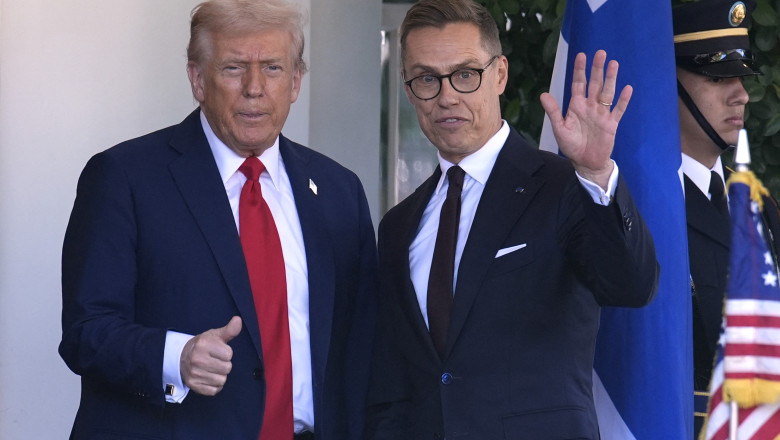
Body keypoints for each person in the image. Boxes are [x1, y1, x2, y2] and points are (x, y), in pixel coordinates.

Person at [58, 0, 376, 439]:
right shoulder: (124, 178)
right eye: (232, 68)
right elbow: (86, 332)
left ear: (297, 81)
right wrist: (176, 357)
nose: (254, 87)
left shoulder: (339, 191)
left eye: (272, 68)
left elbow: (361, 348)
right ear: (197, 79)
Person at [364, 0, 660, 438]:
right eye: (427, 78)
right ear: (409, 91)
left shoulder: (564, 185)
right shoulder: (399, 225)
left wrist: (596, 174)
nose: (447, 96)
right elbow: (393, 383)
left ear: (499, 74)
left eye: (465, 74)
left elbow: (632, 285)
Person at [672, 0, 780, 436]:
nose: (740, 93)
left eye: (741, 77)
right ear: (667, 84)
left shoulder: (757, 203)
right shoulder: (637, 204)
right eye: (718, 77)